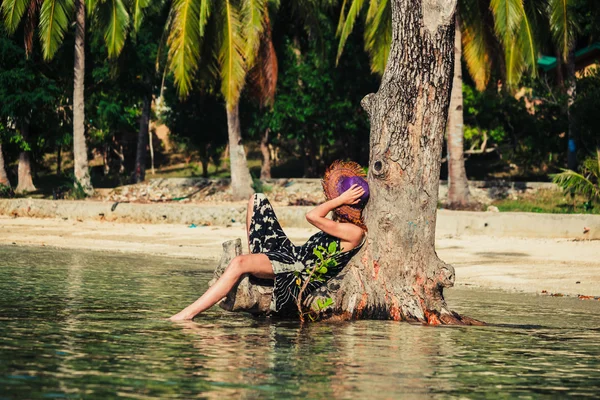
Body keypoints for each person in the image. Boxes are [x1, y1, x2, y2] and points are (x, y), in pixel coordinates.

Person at [169, 161, 369, 320]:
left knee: (239, 262)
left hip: (297, 270)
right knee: (257, 200)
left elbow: (312, 216)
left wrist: (339, 200)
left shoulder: (355, 232)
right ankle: (257, 264)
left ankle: (188, 314)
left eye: (338, 198)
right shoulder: (344, 225)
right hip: (292, 254)